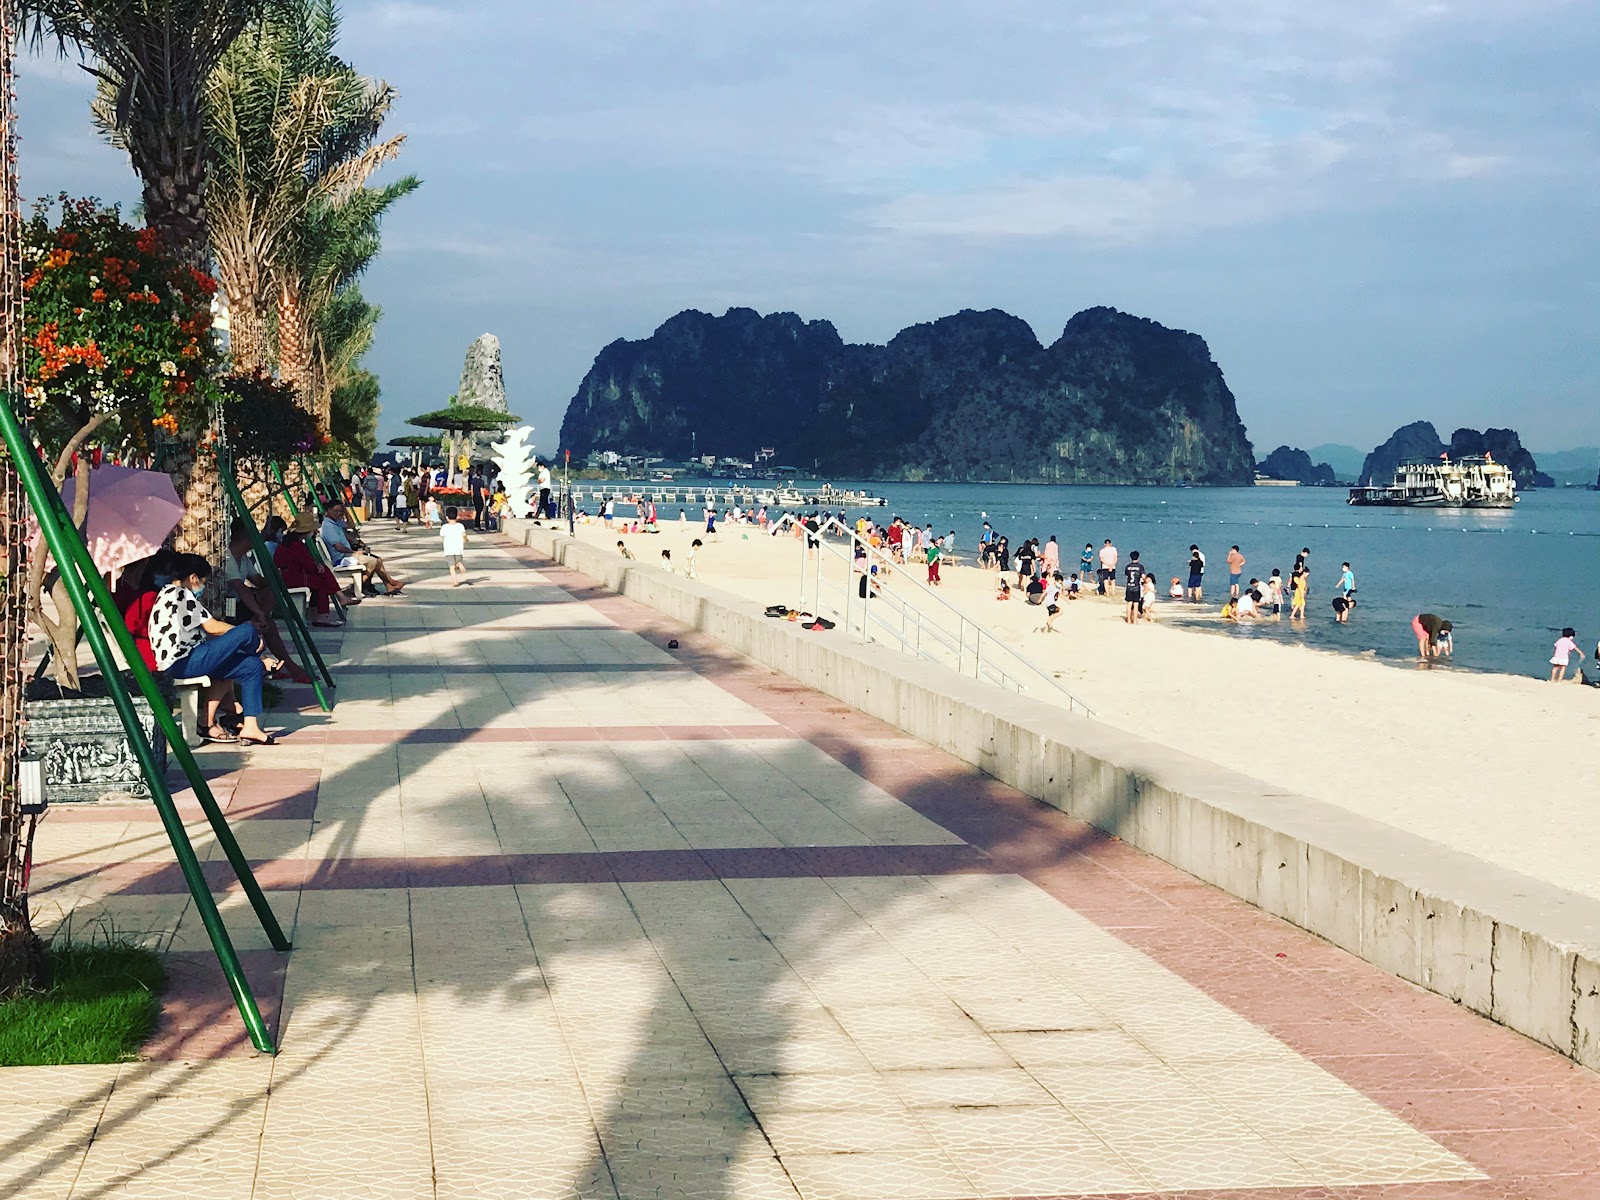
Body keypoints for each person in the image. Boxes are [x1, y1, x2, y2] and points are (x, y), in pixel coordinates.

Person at [151, 553, 282, 746]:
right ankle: (260, 656)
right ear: (193, 578)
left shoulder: (173, 594)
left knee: (250, 666)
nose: (202, 588)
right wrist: (252, 642)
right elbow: (212, 627)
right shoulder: (178, 594)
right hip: (182, 661)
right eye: (202, 582)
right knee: (247, 630)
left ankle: (250, 726)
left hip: (193, 656)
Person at [225, 520, 312, 679]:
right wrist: (259, 611)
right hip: (229, 607)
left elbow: (258, 581)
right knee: (269, 624)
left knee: (272, 591)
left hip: (243, 605)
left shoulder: (243, 558)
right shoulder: (228, 559)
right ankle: (261, 621)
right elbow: (241, 589)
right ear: (246, 537)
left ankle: (260, 621)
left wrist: (275, 577)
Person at [275, 511, 351, 623]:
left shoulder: (289, 542)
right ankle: (323, 614)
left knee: (322, 573)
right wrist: (316, 566)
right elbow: (308, 565)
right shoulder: (297, 545)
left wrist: (317, 566)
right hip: (291, 577)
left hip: (287, 575)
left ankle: (316, 610)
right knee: (321, 582)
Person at [321, 501, 405, 595]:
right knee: (373, 561)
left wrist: (345, 511)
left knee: (378, 560)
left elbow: (351, 525)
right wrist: (354, 552)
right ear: (328, 510)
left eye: (340, 511)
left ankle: (389, 586)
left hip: (346, 554)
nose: (338, 514)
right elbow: (339, 547)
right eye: (336, 511)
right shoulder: (328, 526)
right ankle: (358, 587)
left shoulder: (336, 523)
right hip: (341, 558)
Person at [440, 505, 468, 586]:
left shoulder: (444, 527)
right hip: (458, 548)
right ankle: (459, 564)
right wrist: (465, 540)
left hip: (449, 549)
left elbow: (442, 535)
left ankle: (455, 580)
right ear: (456, 516)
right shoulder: (460, 526)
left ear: (447, 517)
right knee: (458, 560)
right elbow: (464, 535)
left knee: (451, 566)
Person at [1123, 551, 1145, 624]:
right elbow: (1143, 576)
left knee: (1129, 603)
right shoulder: (1140, 567)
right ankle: (1135, 620)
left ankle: (1129, 620)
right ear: (1138, 557)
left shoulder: (1128, 566)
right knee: (1136, 604)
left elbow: (1127, 574)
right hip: (1136, 587)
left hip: (1129, 586)